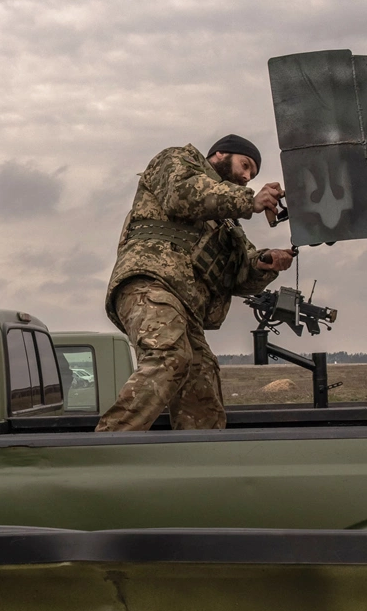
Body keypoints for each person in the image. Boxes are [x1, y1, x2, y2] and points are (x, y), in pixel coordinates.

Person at [96, 134, 295, 432]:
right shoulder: (177, 160)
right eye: (245, 165)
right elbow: (182, 195)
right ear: (220, 154)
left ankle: (202, 455)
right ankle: (108, 445)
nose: (246, 177)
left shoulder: (227, 222)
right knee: (169, 356)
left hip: (187, 308)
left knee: (201, 382)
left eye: (252, 174)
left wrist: (265, 263)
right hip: (150, 284)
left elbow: (240, 275)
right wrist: (249, 200)